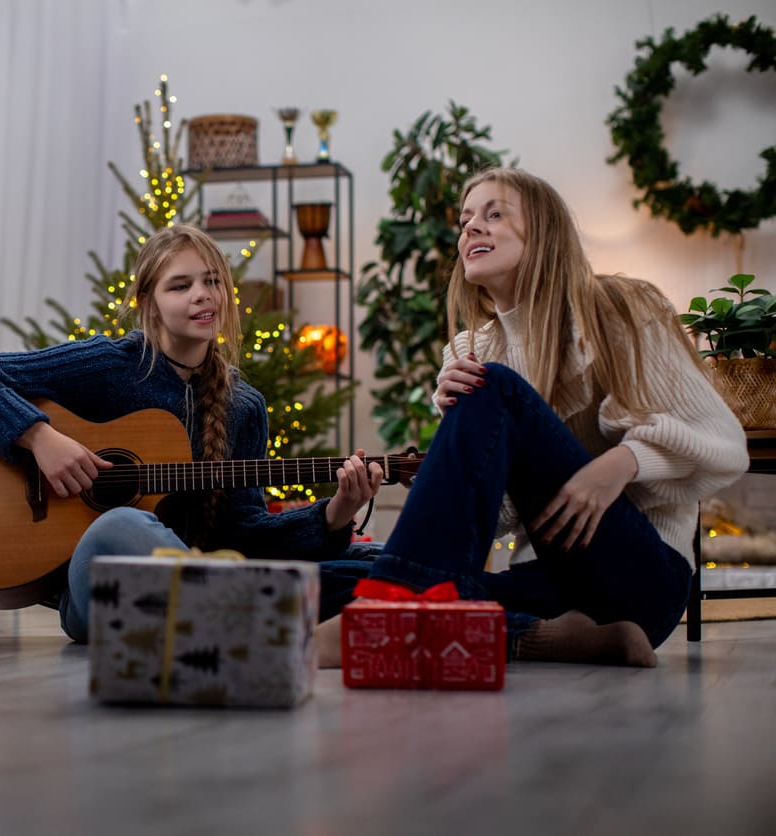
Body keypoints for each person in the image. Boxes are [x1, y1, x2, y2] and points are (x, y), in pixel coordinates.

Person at [316, 168, 748, 668]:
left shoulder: (620, 308)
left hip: (640, 579)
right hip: (547, 586)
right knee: (328, 579)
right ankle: (549, 639)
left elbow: (725, 445)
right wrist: (460, 446)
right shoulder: (469, 350)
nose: (471, 229)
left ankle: (379, 616)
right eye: (465, 220)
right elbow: (501, 519)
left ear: (543, 231)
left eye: (494, 214)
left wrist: (621, 464)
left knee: (490, 384)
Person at [0, 223, 384, 643]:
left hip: (182, 593)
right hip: (98, 590)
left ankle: (231, 606)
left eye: (212, 282)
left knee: (381, 561)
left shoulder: (244, 405)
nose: (202, 296)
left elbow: (243, 536)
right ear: (148, 301)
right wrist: (39, 438)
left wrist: (336, 512)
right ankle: (242, 603)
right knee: (122, 523)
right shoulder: (111, 365)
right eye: (181, 285)